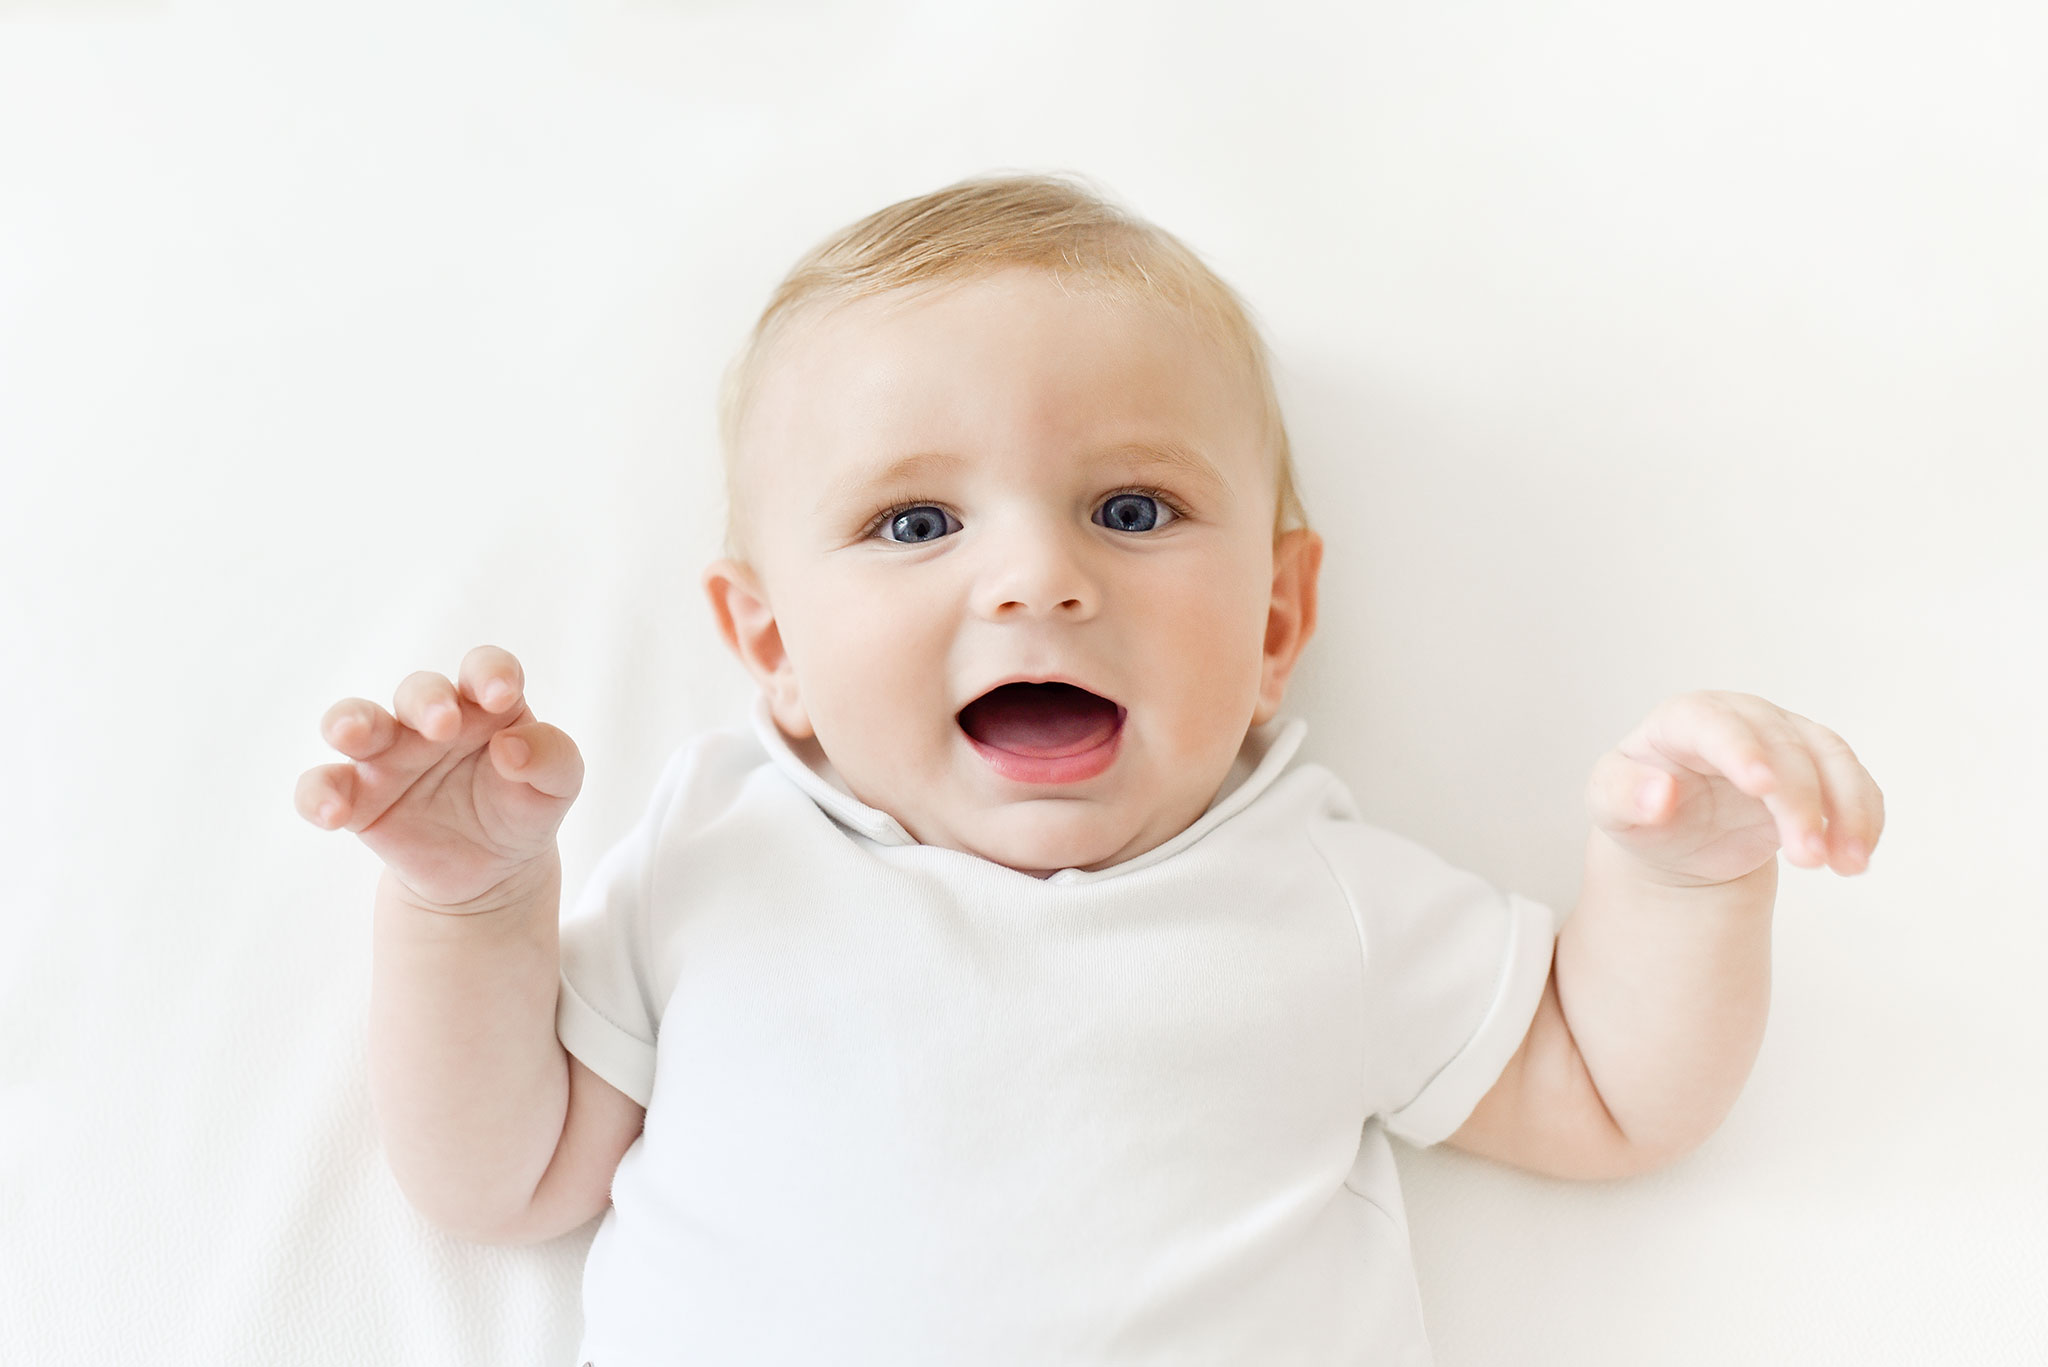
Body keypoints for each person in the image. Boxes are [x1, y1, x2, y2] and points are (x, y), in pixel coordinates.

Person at [294, 172, 1885, 1365]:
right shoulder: (723, 857)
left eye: (1131, 510)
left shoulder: (1313, 886)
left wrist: (1682, 880)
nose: (1034, 581)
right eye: (915, 524)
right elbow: (499, 1179)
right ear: (769, 646)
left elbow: (1610, 1095)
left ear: (1275, 620)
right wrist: (471, 908)